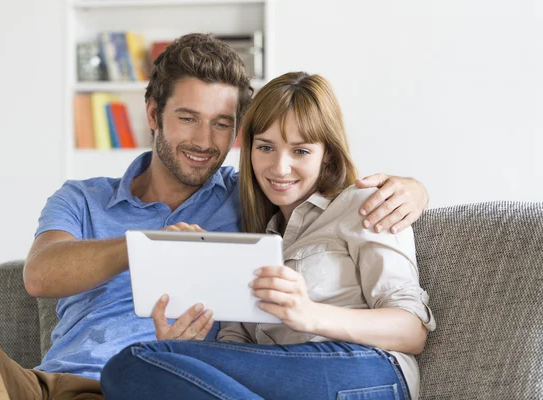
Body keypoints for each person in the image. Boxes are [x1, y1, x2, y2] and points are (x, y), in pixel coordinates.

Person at [0, 34, 429, 399]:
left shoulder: (248, 197)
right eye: (187, 118)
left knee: (140, 367)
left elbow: (312, 185)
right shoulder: (83, 198)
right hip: (46, 383)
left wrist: (414, 189)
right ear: (153, 114)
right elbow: (40, 275)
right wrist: (150, 245)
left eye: (222, 124)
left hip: (155, 380)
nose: (204, 140)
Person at [99, 72, 436, 400]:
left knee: (131, 364)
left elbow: (411, 330)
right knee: (143, 370)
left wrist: (310, 314)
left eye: (300, 151)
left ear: (327, 154)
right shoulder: (254, 238)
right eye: (265, 148)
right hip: (282, 380)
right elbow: (238, 353)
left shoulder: (366, 204)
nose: (279, 167)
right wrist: (184, 352)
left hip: (365, 372)